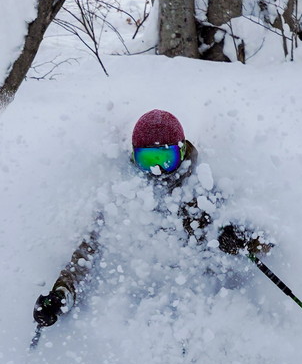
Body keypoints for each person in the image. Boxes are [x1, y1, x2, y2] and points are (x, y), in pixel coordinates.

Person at [33, 108, 273, 329]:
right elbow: (87, 252)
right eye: (148, 160)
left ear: (181, 151)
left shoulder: (207, 186)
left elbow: (267, 241)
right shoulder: (122, 195)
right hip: (144, 314)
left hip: (206, 309)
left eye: (164, 159)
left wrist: (242, 239)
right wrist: (63, 292)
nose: (157, 171)